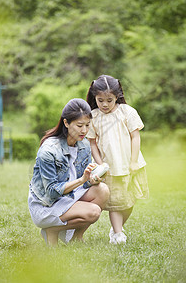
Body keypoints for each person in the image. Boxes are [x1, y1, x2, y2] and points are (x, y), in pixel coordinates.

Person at [28, 98, 109, 246]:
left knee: (103, 190)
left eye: (87, 125)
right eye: (79, 125)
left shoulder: (84, 145)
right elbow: (51, 192)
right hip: (47, 205)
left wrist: (92, 179)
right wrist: (82, 180)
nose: (84, 130)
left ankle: (75, 238)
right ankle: (51, 230)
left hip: (69, 196)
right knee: (93, 212)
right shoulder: (48, 150)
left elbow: (83, 184)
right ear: (66, 123)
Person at [86, 75, 149, 245]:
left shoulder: (127, 112)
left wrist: (133, 161)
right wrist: (100, 164)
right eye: (100, 100)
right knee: (116, 203)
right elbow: (92, 143)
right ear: (94, 98)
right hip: (110, 166)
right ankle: (118, 233)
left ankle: (117, 227)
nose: (105, 104)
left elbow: (135, 137)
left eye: (109, 100)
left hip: (129, 165)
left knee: (129, 201)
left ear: (117, 96)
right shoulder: (93, 117)